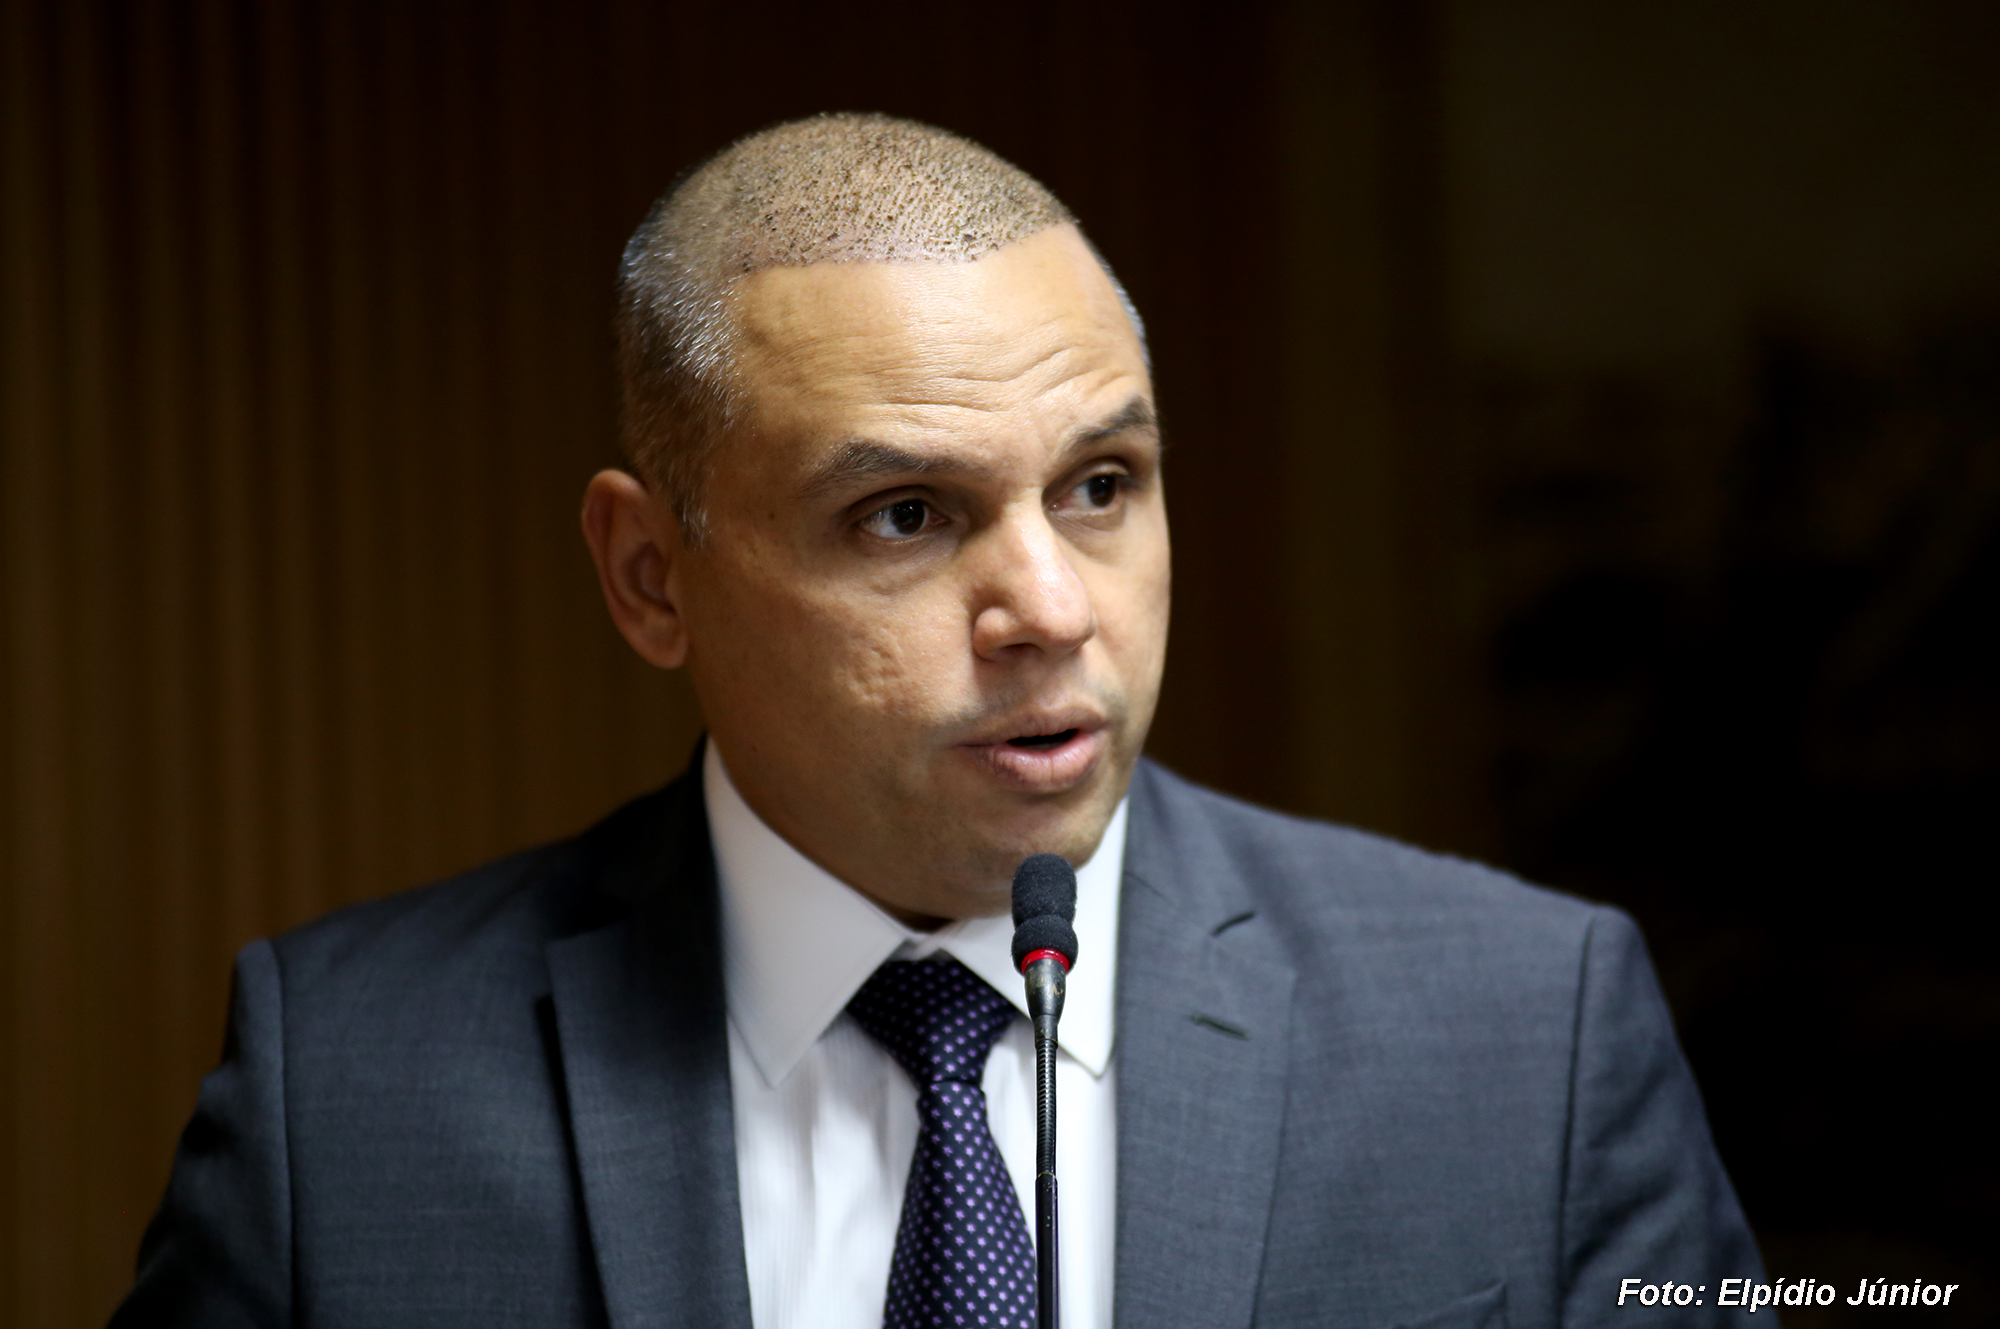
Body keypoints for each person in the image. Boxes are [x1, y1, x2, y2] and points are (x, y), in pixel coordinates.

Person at [113, 113, 1762, 1329]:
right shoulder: (346, 1091)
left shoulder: (1530, 1030)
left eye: (1102, 485)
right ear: (650, 576)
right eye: (905, 515)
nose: (1051, 607)